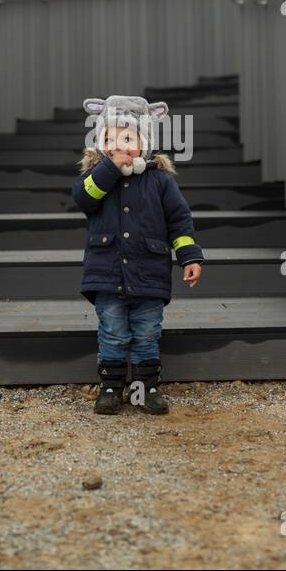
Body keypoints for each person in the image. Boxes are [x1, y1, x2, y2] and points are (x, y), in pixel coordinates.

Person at [71, 95, 204, 415]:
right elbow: (83, 199)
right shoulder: (97, 178)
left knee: (147, 332)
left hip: (149, 273)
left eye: (127, 138)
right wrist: (109, 169)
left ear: (144, 143)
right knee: (113, 332)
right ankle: (110, 389)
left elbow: (179, 220)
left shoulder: (159, 181)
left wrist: (189, 256)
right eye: (109, 138)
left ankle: (146, 389)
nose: (118, 145)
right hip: (107, 274)